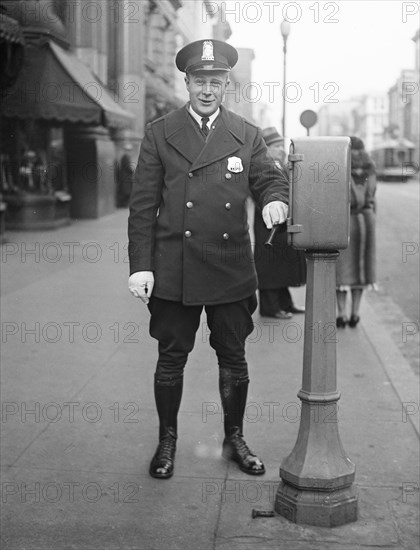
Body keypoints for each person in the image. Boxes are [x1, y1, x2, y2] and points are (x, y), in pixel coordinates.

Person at [128, 39, 289, 479]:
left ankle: (233, 437)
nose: (206, 90)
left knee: (234, 357)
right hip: (174, 265)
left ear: (225, 85)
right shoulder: (160, 132)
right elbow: (142, 206)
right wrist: (140, 264)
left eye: (215, 82)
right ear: (187, 82)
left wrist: (276, 201)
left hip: (229, 264)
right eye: (199, 81)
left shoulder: (246, 133)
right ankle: (167, 442)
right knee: (171, 357)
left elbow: (269, 179)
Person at [253, 127, 306, 319]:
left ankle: (285, 303)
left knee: (282, 267)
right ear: (267, 148)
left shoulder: (279, 163)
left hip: (280, 225)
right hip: (269, 225)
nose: (281, 149)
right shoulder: (265, 165)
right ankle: (270, 308)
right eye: (276, 146)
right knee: (271, 269)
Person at [336, 136, 376, 327]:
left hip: (345, 219)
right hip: (366, 220)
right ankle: (356, 313)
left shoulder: (341, 167)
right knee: (362, 268)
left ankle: (341, 314)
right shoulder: (370, 169)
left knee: (342, 269)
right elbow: (372, 196)